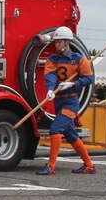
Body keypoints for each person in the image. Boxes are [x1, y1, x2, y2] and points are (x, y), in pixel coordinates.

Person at [37, 26, 96, 175]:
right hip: (58, 100)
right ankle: (89, 165)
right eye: (55, 42)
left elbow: (89, 78)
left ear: (67, 42)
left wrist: (74, 84)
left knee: (55, 129)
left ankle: (51, 166)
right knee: (70, 135)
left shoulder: (79, 59)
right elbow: (50, 76)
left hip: (71, 101)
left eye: (59, 42)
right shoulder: (52, 59)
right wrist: (50, 89)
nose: (56, 44)